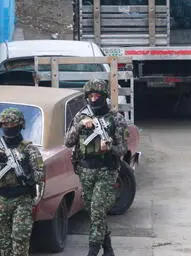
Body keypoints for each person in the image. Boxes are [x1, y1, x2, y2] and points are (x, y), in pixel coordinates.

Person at [65, 79, 130, 256]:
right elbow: (68, 142)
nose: (94, 99)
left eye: (97, 95)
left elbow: (123, 148)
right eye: (90, 96)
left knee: (97, 211)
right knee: (94, 213)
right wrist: (79, 126)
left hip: (106, 171)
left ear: (105, 96)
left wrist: (110, 147)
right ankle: (108, 249)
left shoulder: (116, 119)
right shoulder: (81, 116)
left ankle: (92, 252)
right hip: (85, 171)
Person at [0, 108, 45, 256]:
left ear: (20, 125)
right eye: (5, 125)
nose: (8, 127)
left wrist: (27, 170)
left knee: (20, 239)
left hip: (22, 199)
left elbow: (40, 176)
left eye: (11, 124)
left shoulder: (29, 149)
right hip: (1, 199)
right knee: (3, 242)